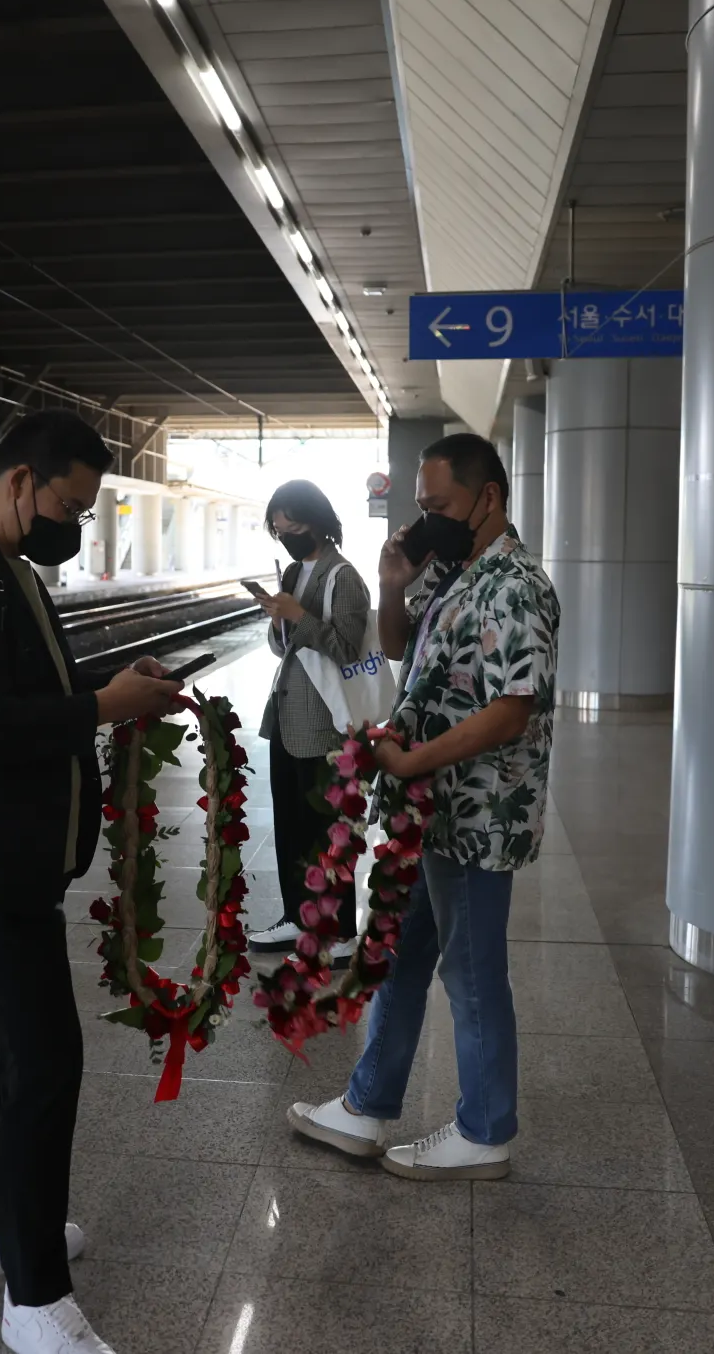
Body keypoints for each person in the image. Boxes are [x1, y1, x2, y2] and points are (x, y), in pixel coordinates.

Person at [0, 408, 180, 1354]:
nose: (74, 524)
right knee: (45, 1062)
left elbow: (31, 686)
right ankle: (34, 1298)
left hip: (17, 856)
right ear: (20, 480)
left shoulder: (6, 570)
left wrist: (113, 685)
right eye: (69, 504)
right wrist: (101, 705)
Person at [285, 432, 558, 1181]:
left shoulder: (516, 585)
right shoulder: (455, 569)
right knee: (400, 957)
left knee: (470, 972)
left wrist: (413, 760)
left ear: (488, 497)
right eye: (419, 505)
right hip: (428, 812)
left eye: (439, 504)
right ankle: (367, 1104)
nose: (425, 519)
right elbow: (403, 649)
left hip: (475, 814)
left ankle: (485, 1132)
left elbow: (513, 708)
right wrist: (392, 582)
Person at [246, 479, 371, 964]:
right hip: (287, 718)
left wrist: (298, 614)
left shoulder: (344, 577)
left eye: (292, 528)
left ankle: (339, 931)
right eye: (279, 531)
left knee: (328, 829)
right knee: (292, 825)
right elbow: (283, 648)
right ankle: (297, 916)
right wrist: (278, 617)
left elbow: (346, 648)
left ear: (317, 522)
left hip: (326, 725)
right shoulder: (295, 572)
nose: (286, 537)